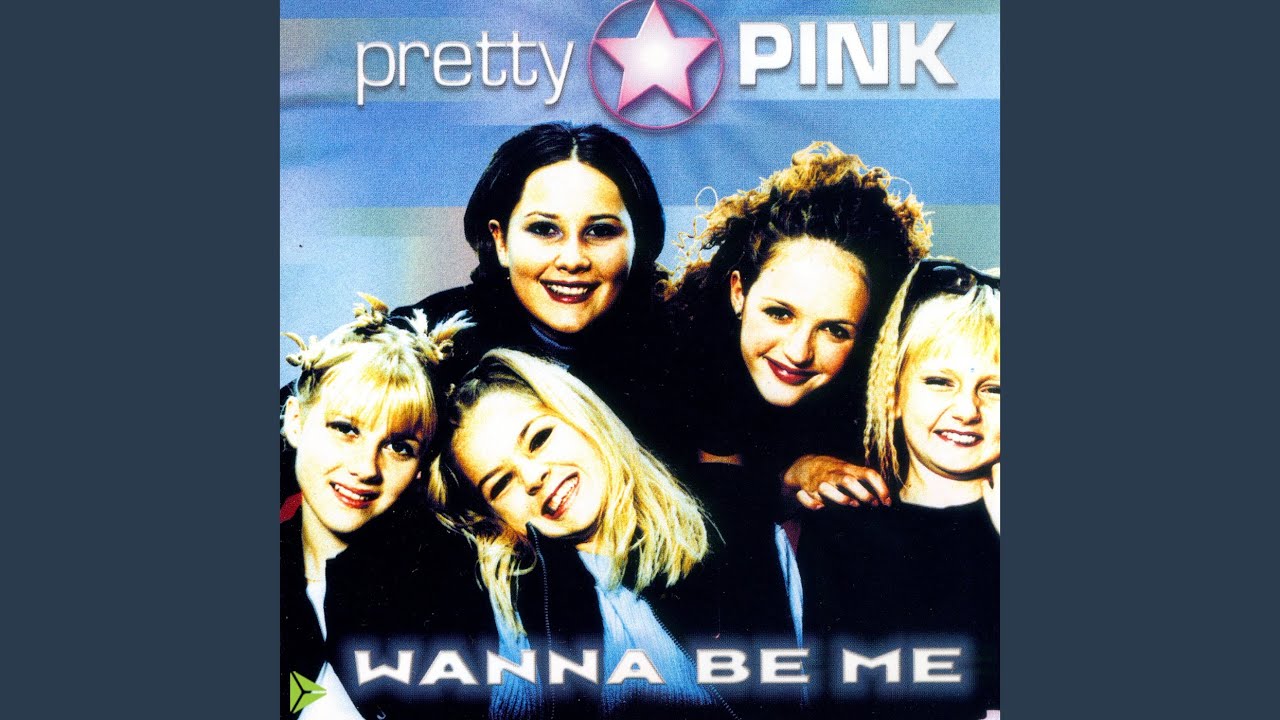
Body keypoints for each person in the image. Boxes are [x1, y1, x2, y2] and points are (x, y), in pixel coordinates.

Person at [428, 349, 786, 720]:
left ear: (582, 415)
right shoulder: (519, 611)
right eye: (502, 483)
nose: (533, 477)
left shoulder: (736, 517)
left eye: (539, 438)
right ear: (497, 519)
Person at [393, 122, 678, 463]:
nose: (572, 259)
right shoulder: (417, 341)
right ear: (501, 241)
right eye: (544, 229)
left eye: (600, 231)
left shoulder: (681, 353)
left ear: (638, 242)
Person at [800, 260, 1001, 719]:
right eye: (939, 382)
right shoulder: (843, 531)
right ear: (892, 395)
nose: (966, 409)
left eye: (995, 390)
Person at [279, 294, 491, 719]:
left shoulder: (450, 585)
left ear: (420, 468)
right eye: (346, 428)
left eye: (399, 447)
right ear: (296, 421)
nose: (365, 468)